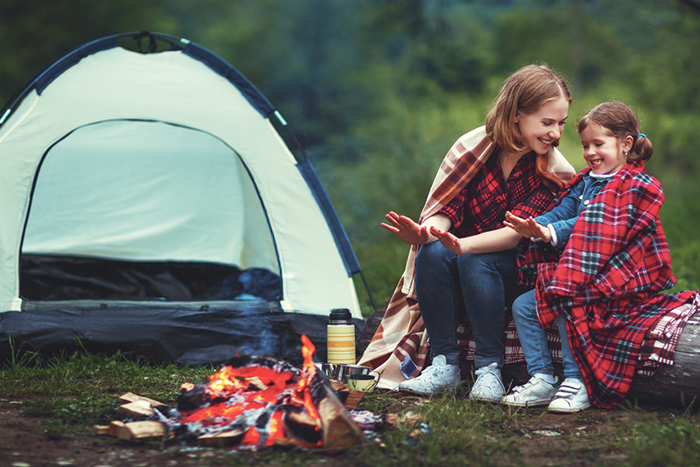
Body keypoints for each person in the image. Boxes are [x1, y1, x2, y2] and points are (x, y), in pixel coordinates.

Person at [376, 64, 575, 400]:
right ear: (516, 116)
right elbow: (448, 210)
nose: (555, 132)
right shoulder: (476, 151)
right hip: (464, 256)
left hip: (517, 269)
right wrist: (424, 233)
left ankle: (489, 369)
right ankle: (445, 366)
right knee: (433, 252)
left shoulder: (552, 172)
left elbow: (515, 235)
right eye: (547, 122)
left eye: (561, 123)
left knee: (474, 261)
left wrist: (462, 246)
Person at [500, 101, 700, 410]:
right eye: (585, 145)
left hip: (615, 277)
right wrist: (538, 225)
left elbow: (596, 225)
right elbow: (563, 211)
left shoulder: (634, 186)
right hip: (578, 272)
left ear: (625, 144)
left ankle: (575, 379)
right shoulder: (585, 181)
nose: (591, 152)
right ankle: (541, 378)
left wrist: (552, 234)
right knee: (523, 306)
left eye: (598, 144)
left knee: (569, 302)